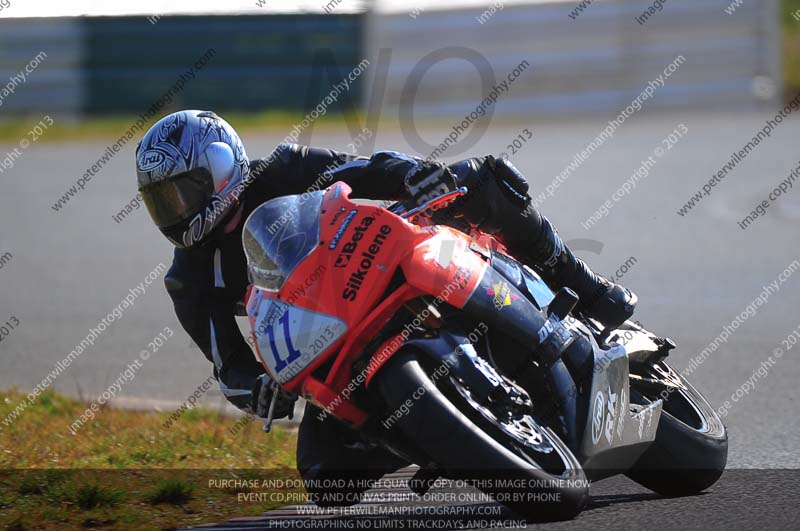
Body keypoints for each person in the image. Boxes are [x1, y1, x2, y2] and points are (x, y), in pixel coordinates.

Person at [135, 110, 636, 505]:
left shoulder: (284, 168)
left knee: (482, 181)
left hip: (380, 268)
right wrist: (258, 389)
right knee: (325, 479)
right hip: (333, 342)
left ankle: (583, 284)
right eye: (162, 202)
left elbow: (365, 169)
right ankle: (440, 436)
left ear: (221, 166)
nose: (174, 211)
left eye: (181, 193)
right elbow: (227, 365)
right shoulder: (188, 279)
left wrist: (416, 177)